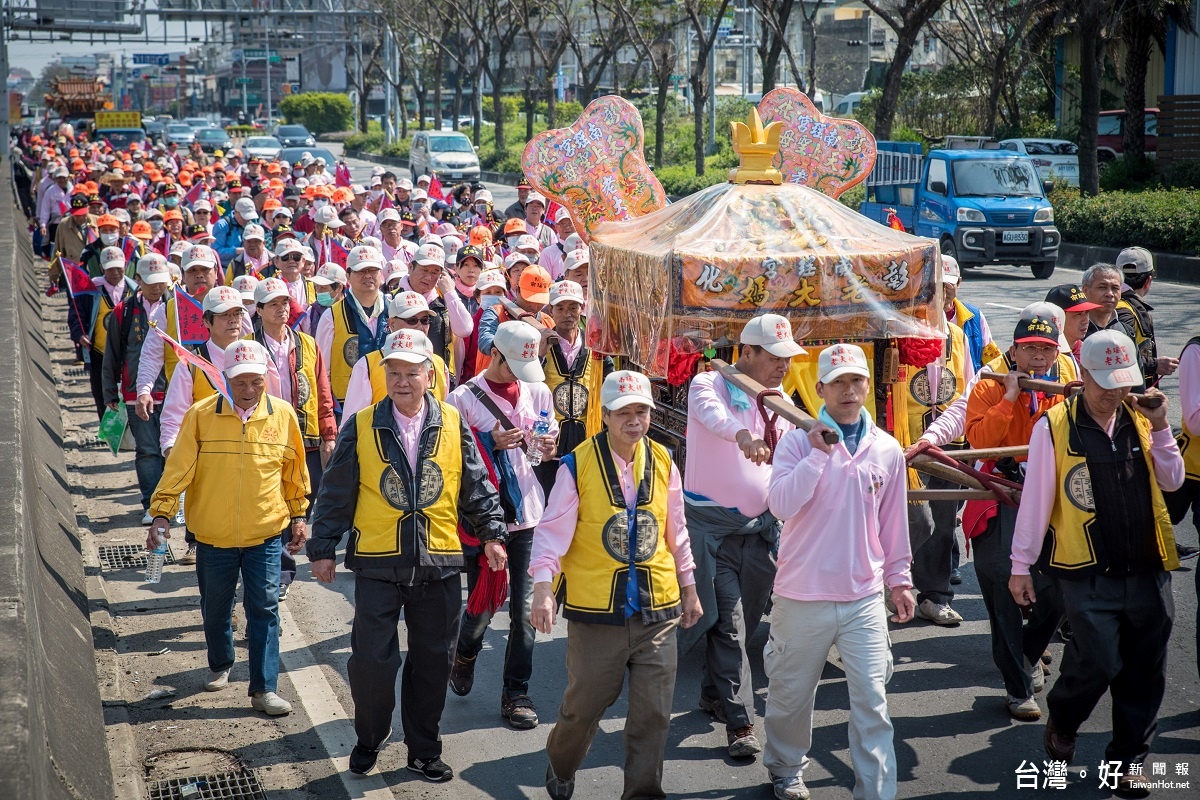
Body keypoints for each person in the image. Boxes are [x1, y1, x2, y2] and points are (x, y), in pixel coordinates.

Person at [307, 328, 508, 781]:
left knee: (433, 662)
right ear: (385, 377)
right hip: (378, 562)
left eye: (411, 373)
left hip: (438, 562)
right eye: (394, 373)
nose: (402, 381)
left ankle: (423, 749)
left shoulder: (454, 423)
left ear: (430, 376)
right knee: (372, 663)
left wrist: (492, 534)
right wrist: (323, 549)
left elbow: (475, 485)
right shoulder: (361, 424)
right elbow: (336, 492)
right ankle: (370, 738)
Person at [1009, 330, 1181, 799]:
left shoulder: (1144, 419)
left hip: (1147, 567)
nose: (1113, 393)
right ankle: (1064, 718)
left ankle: (1127, 762)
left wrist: (1164, 427)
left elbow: (1172, 480)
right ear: (1082, 375)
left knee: (1146, 668)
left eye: (1122, 382)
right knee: (1100, 659)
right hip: (1085, 571)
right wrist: (1020, 566)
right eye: (1104, 382)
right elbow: (1036, 502)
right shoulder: (1053, 426)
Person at [530, 370, 702, 800]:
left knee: (654, 716)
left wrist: (690, 588)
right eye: (624, 412)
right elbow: (551, 533)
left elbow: (676, 531)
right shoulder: (576, 465)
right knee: (583, 709)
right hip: (596, 614)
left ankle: (642, 793)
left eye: (642, 410)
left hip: (657, 609)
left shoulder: (664, 460)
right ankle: (562, 763)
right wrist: (542, 588)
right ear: (604, 415)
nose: (634, 420)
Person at [762, 343, 913, 800]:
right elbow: (781, 505)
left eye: (857, 381)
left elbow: (893, 522)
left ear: (869, 385)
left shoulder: (886, 449)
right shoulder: (793, 441)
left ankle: (876, 790)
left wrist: (900, 580)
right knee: (791, 697)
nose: (849, 391)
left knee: (872, 700)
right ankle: (787, 767)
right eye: (839, 382)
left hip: (863, 596)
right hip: (801, 594)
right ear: (820, 388)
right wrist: (815, 455)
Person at [147, 339, 309, 716]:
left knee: (265, 609)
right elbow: (179, 469)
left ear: (266, 378)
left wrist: (299, 516)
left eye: (256, 381)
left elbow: (294, 474)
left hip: (265, 535)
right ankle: (221, 662)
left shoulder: (283, 416)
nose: (249, 390)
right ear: (225, 380)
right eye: (240, 383)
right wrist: (161, 514)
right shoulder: (201, 415)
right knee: (215, 608)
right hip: (213, 538)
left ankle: (264, 688)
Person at [684, 314, 801, 759]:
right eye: (774, 358)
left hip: (761, 530)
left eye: (787, 360)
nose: (782, 367)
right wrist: (743, 435)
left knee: (746, 621)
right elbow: (713, 418)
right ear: (746, 353)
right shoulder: (707, 385)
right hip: (714, 531)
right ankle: (741, 724)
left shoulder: (778, 398)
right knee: (729, 625)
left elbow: (795, 442)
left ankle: (715, 691)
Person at [448, 321, 557, 729]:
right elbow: (452, 456)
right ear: (494, 354)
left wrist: (547, 445)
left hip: (528, 512)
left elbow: (547, 434)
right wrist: (489, 443)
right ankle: (466, 651)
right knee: (484, 603)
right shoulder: (463, 398)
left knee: (525, 609)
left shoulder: (538, 389)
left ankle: (516, 692)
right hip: (485, 517)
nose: (518, 377)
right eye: (512, 367)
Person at [965, 314, 1068, 721]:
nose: (1038, 355)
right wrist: (1009, 399)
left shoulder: (1064, 389)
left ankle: (1026, 653)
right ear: (1014, 349)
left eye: (1046, 349)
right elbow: (979, 442)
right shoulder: (990, 385)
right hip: (998, 493)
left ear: (1056, 352)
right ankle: (1017, 688)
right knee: (1000, 586)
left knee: (1059, 586)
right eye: (1030, 348)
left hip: (1048, 498)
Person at [249, 276, 337, 535]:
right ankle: (279, 555)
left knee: (306, 494)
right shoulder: (247, 345)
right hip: (264, 437)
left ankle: (285, 547)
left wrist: (328, 434)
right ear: (259, 309)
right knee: (270, 499)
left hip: (304, 437)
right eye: (273, 304)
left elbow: (323, 391)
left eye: (285, 302)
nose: (281, 309)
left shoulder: (307, 343)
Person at [102, 253, 171, 524]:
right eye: (150, 282)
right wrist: (110, 391)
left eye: (161, 282)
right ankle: (151, 504)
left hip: (172, 391)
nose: (156, 288)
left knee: (174, 449)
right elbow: (113, 353)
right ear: (138, 280)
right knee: (147, 450)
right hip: (134, 393)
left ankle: (173, 503)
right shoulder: (125, 310)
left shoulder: (177, 308)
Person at [340, 291, 452, 422]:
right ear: (392, 323)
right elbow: (351, 424)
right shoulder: (367, 365)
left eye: (425, 320)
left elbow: (443, 415)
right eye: (412, 320)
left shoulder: (438, 364)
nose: (420, 326)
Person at [314, 245, 390, 414]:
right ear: (348, 275)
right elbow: (322, 370)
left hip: (390, 403)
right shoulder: (331, 316)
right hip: (347, 406)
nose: (368, 275)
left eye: (373, 270)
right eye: (361, 271)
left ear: (381, 274)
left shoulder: (395, 309)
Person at [68, 245, 138, 419]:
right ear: (101, 268)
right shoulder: (90, 290)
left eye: (118, 268)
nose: (115, 272)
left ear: (125, 266)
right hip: (100, 353)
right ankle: (108, 433)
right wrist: (80, 335)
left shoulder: (136, 291)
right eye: (110, 269)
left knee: (130, 393)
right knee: (102, 394)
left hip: (129, 353)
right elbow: (76, 316)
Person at [542, 280, 610, 459]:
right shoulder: (541, 345)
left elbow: (609, 386)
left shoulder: (596, 346)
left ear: (582, 308)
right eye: (560, 308)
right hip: (549, 443)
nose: (567, 314)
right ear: (551, 311)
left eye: (573, 308)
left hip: (587, 440)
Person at [1115, 246, 1178, 388]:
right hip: (1129, 396)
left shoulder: (1113, 304)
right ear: (1148, 280)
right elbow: (1116, 356)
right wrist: (1154, 365)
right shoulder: (1125, 311)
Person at [942, 256, 1000, 373]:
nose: (943, 290)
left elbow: (992, 359)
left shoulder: (974, 317)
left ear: (958, 283)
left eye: (948, 284)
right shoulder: (917, 317)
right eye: (938, 284)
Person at [1044, 284, 1101, 367]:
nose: (1085, 320)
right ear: (1057, 318)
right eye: (1078, 314)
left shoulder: (1090, 354)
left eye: (1087, 313)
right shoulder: (1038, 354)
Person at [1082, 263, 1130, 337]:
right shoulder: (1075, 330)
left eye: (1115, 288)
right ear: (1085, 290)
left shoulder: (1125, 332)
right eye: (1102, 287)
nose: (1110, 294)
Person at [212, 197, 259, 268]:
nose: (247, 220)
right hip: (225, 268)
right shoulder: (222, 225)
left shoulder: (251, 225)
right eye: (244, 216)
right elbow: (216, 252)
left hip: (246, 268)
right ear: (236, 212)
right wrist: (236, 251)